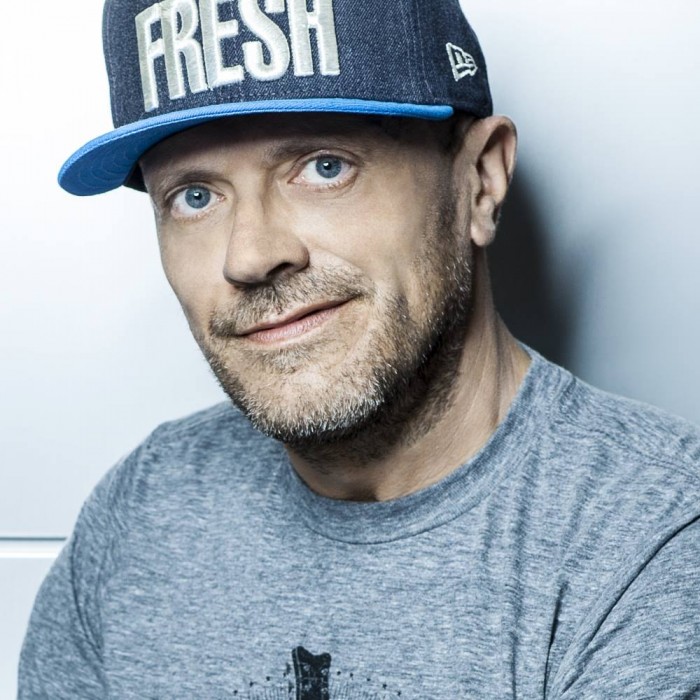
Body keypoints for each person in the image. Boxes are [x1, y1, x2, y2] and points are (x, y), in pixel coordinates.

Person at [19, 0, 700, 697]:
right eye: (194, 196)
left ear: (480, 181)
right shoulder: (142, 515)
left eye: (324, 167)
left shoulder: (657, 538)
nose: (249, 255)